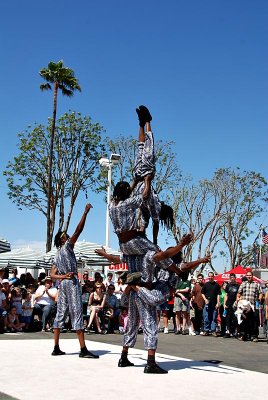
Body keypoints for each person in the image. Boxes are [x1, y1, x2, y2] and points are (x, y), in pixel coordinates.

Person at [50, 203, 99, 359]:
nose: (67, 235)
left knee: (60, 314)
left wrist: (62, 277)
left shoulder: (56, 254)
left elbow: (52, 275)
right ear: (61, 239)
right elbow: (79, 230)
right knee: (77, 312)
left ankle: (56, 347)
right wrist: (85, 213)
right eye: (64, 235)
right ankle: (83, 349)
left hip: (63, 284)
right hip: (71, 283)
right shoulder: (66, 248)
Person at [236, 270, 262, 342]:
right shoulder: (243, 284)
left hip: (253, 305)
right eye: (247, 275)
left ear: (252, 276)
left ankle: (254, 336)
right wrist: (238, 298)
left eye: (250, 275)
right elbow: (239, 293)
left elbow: (260, 293)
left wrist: (259, 298)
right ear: (246, 276)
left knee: (254, 321)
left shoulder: (256, 284)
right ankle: (243, 335)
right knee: (244, 321)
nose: (249, 277)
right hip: (245, 306)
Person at [201, 272, 221, 336]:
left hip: (214, 304)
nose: (210, 277)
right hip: (207, 304)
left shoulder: (217, 285)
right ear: (208, 277)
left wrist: (218, 303)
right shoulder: (206, 284)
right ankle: (206, 330)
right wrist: (205, 299)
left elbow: (218, 294)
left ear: (213, 277)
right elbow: (202, 293)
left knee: (214, 318)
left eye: (211, 276)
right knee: (206, 317)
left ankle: (213, 331)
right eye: (209, 276)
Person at [224, 273, 239, 338]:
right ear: (230, 278)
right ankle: (228, 331)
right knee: (228, 318)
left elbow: (239, 295)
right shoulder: (228, 286)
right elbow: (226, 295)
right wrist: (225, 304)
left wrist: (237, 302)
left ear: (235, 278)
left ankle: (233, 331)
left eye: (233, 277)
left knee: (235, 318)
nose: (232, 278)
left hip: (235, 304)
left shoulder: (238, 286)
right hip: (228, 304)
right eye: (231, 277)